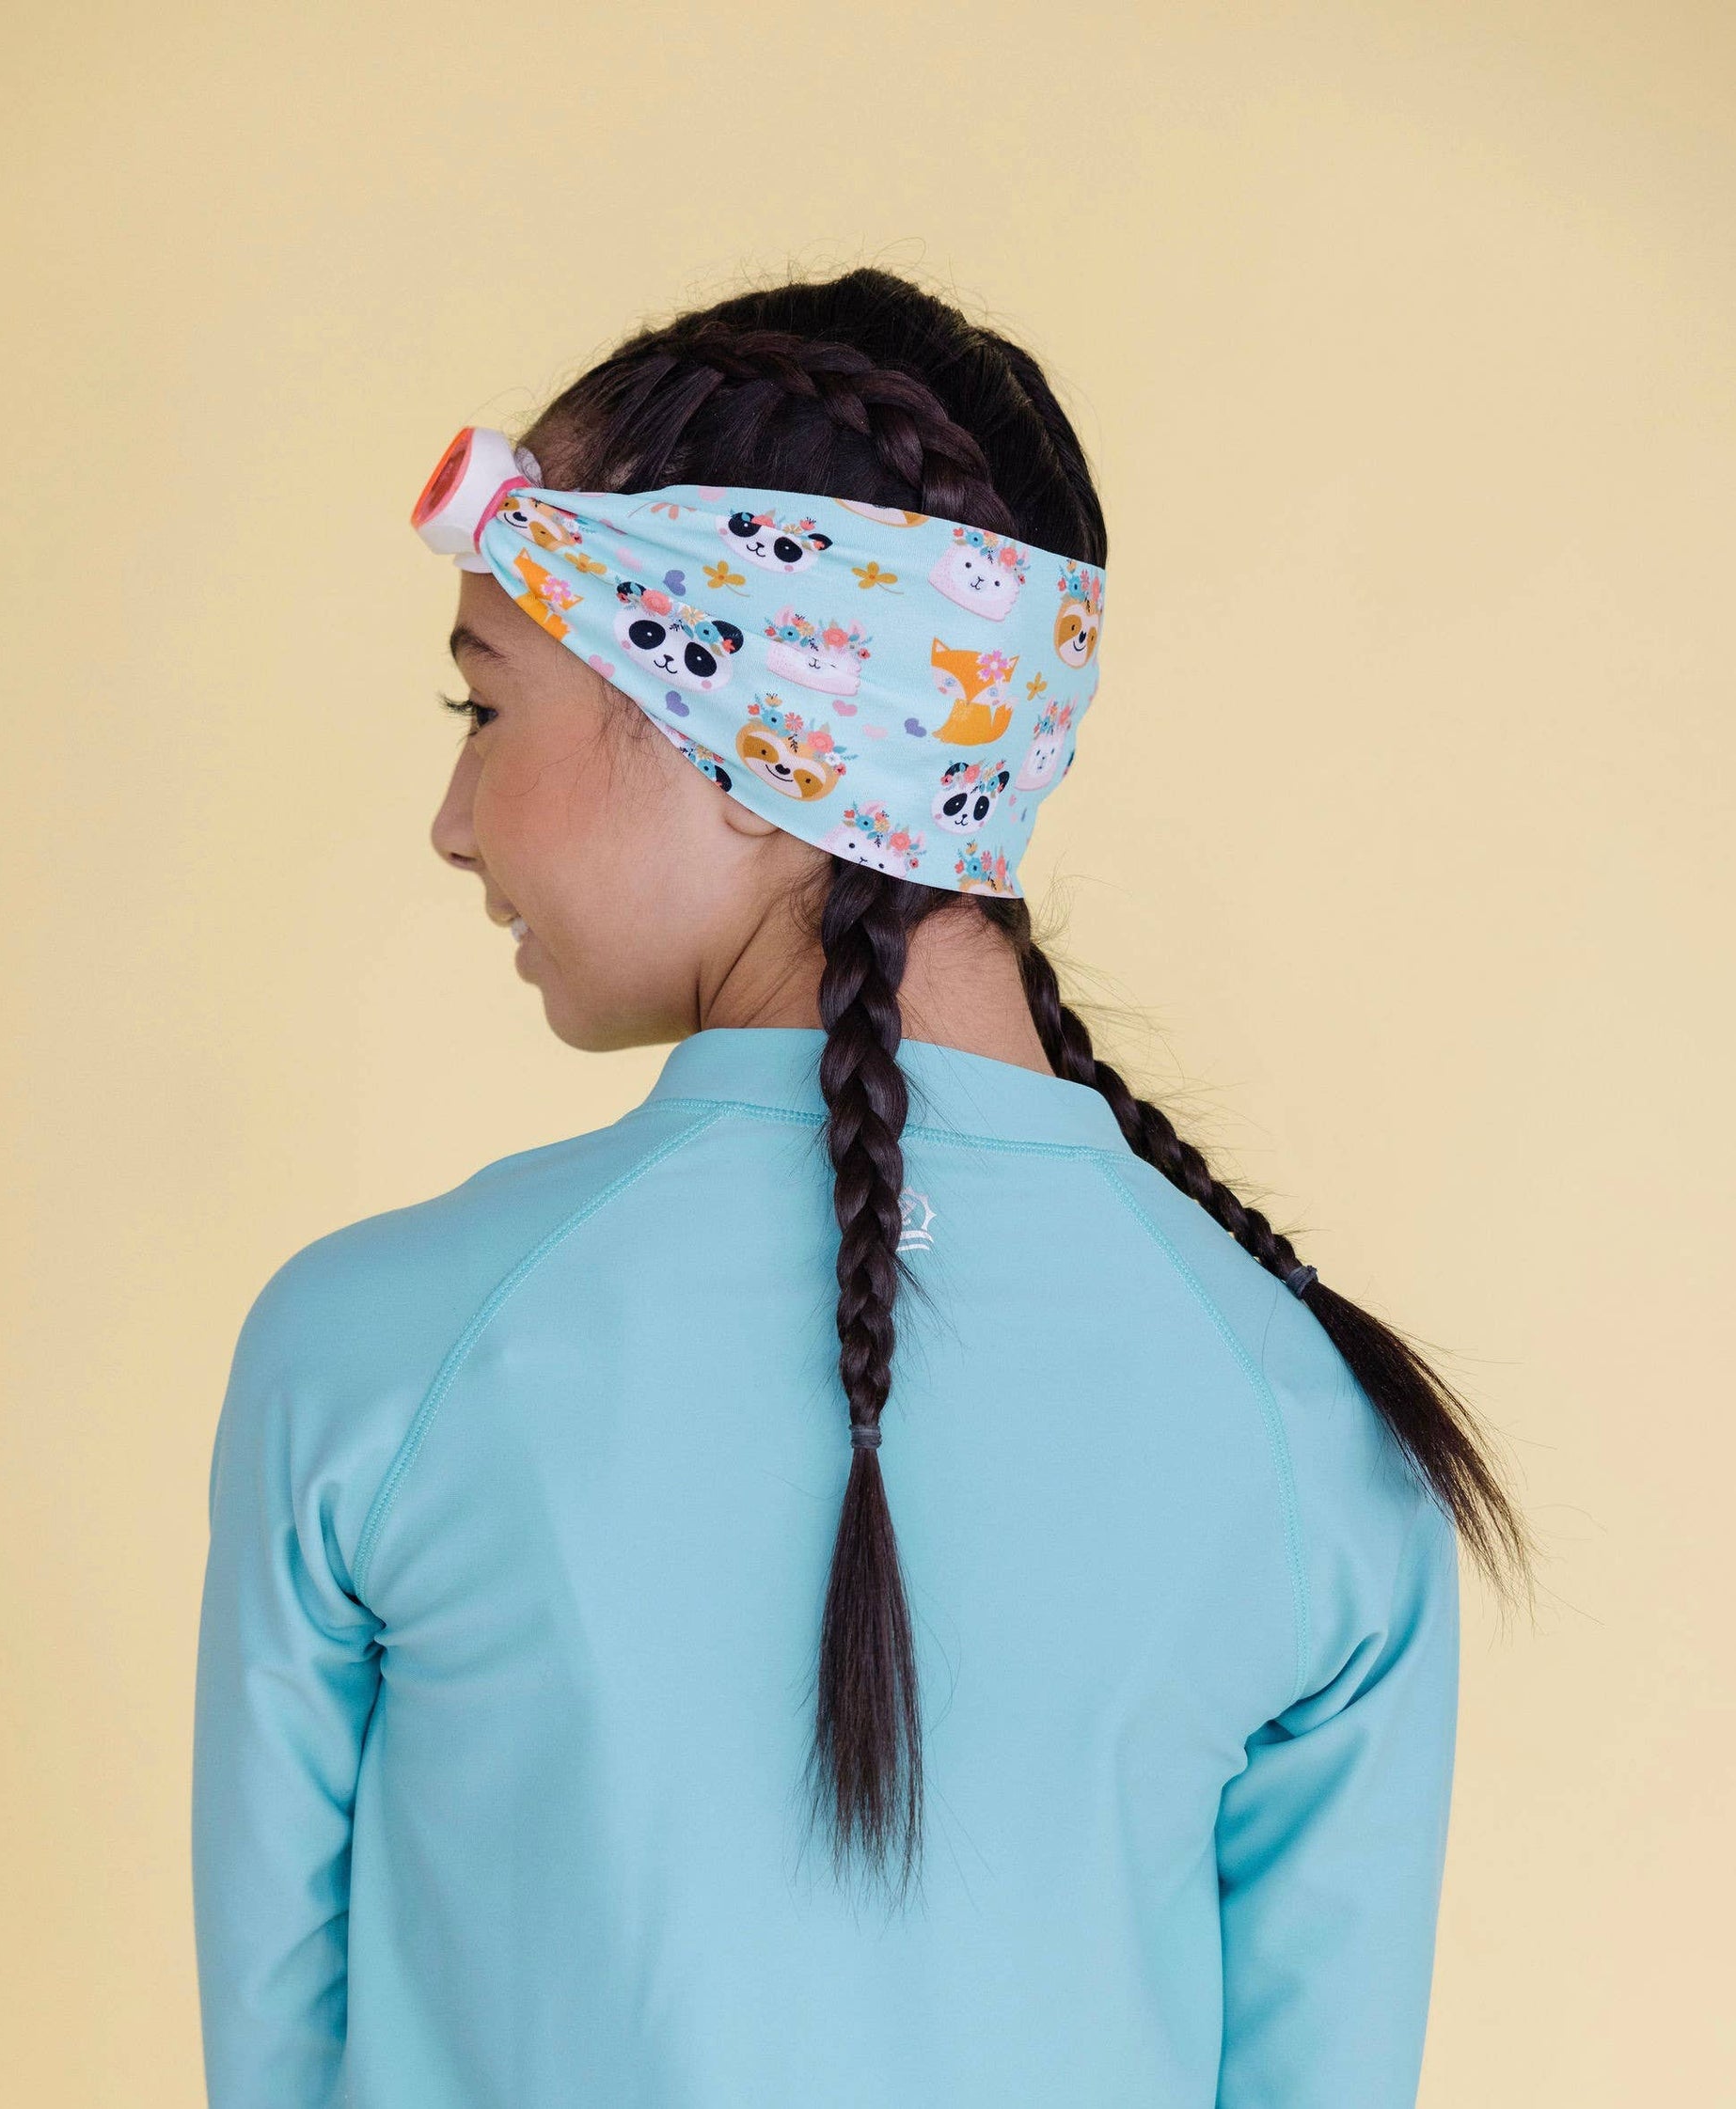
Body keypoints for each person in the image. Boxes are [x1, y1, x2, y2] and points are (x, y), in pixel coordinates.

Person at [190, 266, 1528, 2109]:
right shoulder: (1322, 1440)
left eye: (481, 705)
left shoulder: (376, 1357)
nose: (449, 819)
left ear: (752, 740)